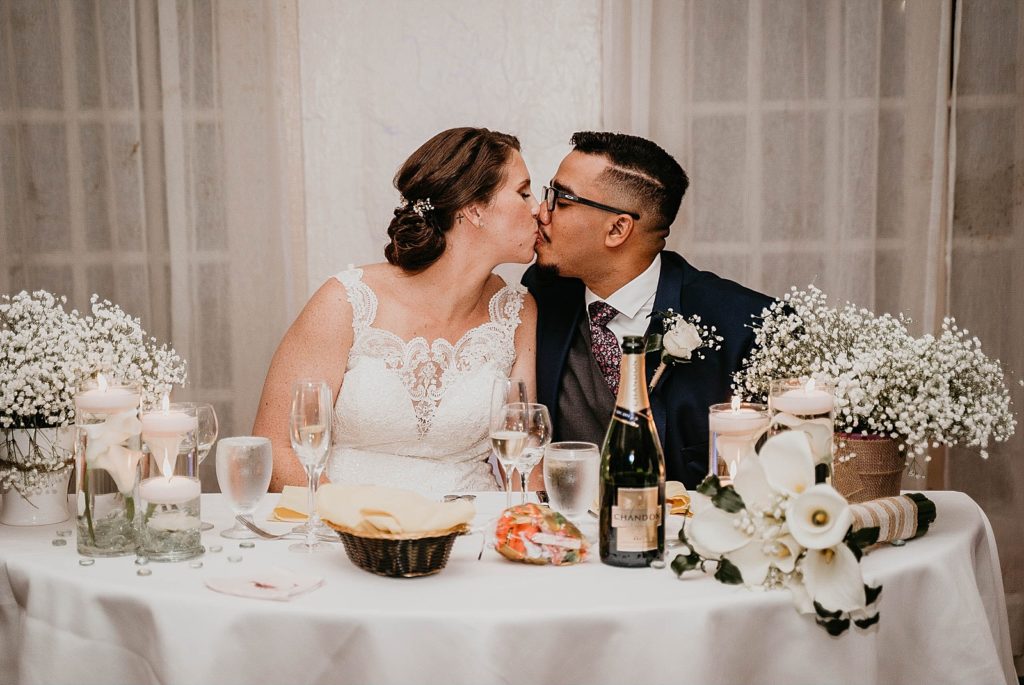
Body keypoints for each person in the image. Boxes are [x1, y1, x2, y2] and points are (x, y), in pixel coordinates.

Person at [255, 127, 539, 494]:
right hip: (348, 531)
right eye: (523, 193)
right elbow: (276, 448)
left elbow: (523, 456)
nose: (538, 208)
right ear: (474, 209)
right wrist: (353, 517)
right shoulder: (345, 301)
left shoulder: (517, 311)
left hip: (470, 533)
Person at [522, 131, 773, 489]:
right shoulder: (542, 294)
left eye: (560, 200)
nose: (540, 212)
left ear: (617, 228)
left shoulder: (747, 328)